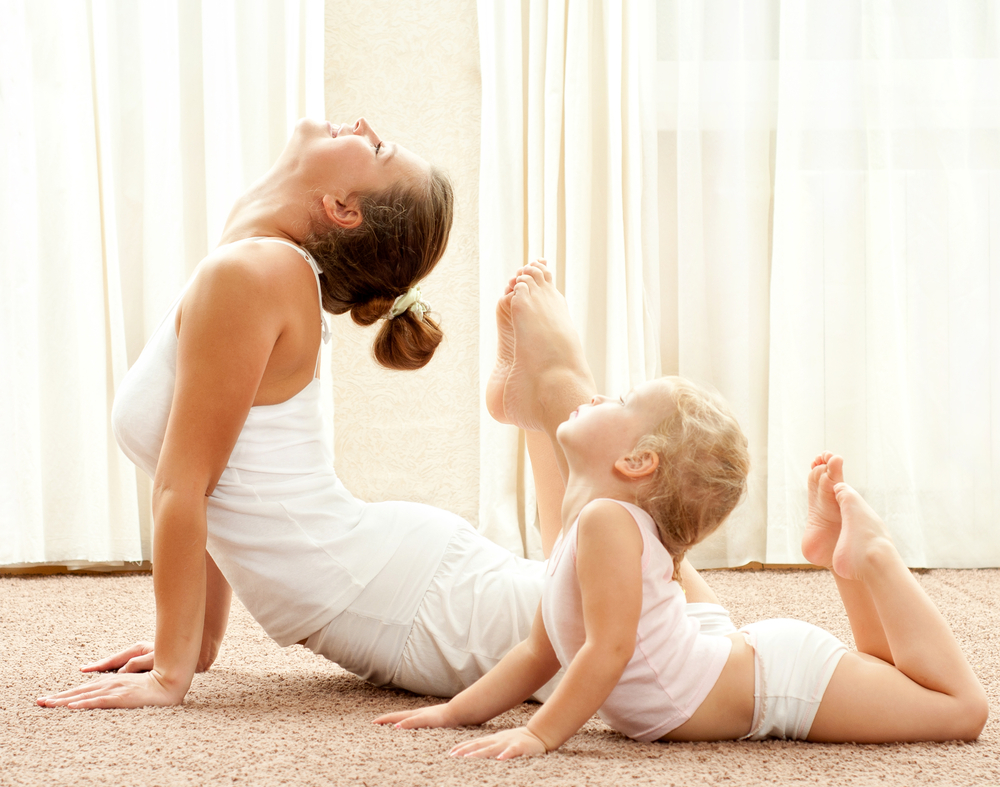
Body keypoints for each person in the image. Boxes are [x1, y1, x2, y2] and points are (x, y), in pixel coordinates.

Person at [36, 120, 731, 710]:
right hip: (387, 574)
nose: (363, 125)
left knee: (695, 645)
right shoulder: (250, 268)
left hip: (403, 593)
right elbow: (204, 481)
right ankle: (549, 408)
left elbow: (186, 486)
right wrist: (193, 642)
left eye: (376, 149)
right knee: (617, 604)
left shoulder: (253, 274)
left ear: (341, 205)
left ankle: (560, 395)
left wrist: (171, 670)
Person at [374, 262, 989, 756]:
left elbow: (607, 651)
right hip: (732, 658)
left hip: (780, 683)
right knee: (888, 676)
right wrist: (457, 713)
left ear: (639, 461)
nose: (599, 397)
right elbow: (540, 650)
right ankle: (846, 561)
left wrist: (540, 734)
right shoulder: (592, 523)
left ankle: (872, 557)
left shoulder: (608, 522)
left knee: (959, 711)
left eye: (620, 399)